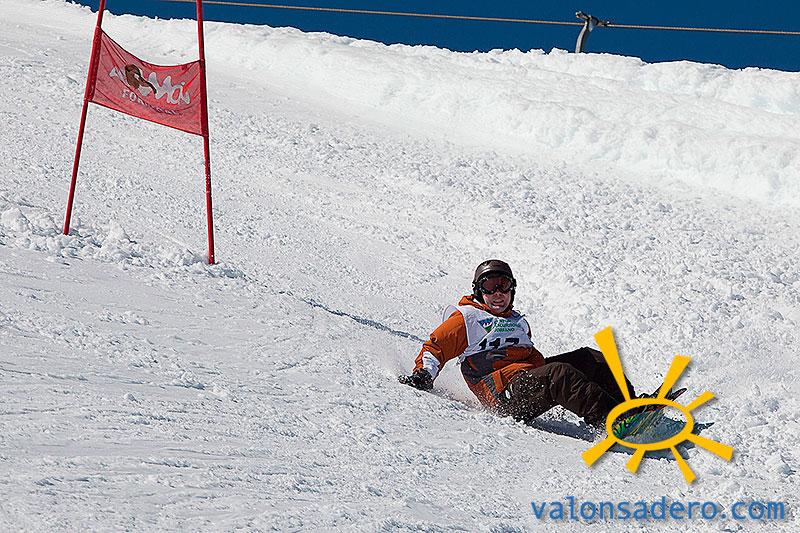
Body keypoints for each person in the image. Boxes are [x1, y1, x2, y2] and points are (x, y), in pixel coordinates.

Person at [399, 259, 636, 428]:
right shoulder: (467, 318)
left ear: (512, 289)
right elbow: (435, 347)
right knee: (558, 374)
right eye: (490, 286)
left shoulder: (517, 321)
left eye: (503, 285)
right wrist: (424, 374)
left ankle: (631, 408)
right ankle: (613, 422)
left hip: (526, 380)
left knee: (590, 358)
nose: (498, 293)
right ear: (479, 291)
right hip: (504, 395)